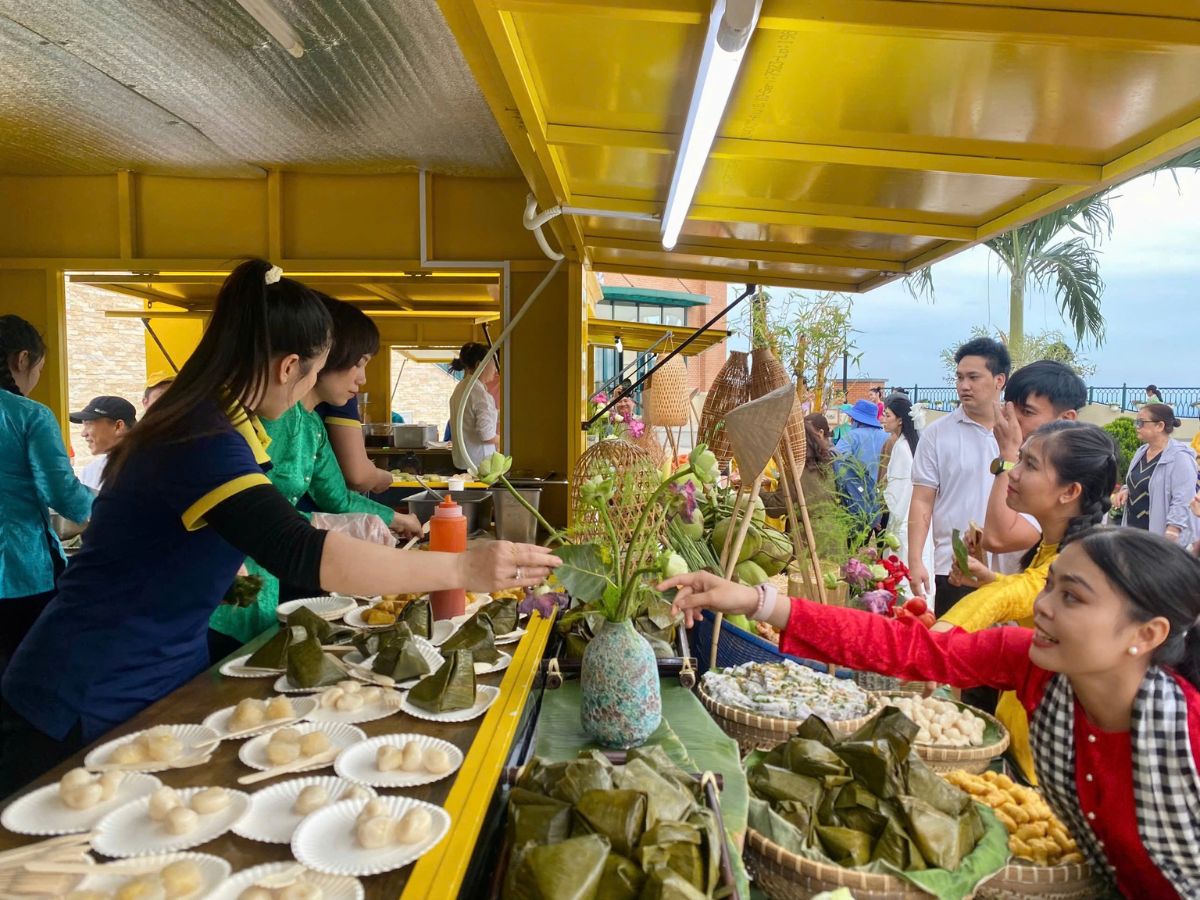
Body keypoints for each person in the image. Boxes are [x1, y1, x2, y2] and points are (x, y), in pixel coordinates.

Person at [0, 260, 559, 795]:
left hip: (159, 671)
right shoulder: (203, 440)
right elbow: (297, 549)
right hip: (87, 687)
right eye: (315, 372)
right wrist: (462, 566)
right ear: (290, 368)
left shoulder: (224, 428)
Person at [664, 527, 1200, 899]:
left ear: (1146, 634)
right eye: (1051, 584)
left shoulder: (1188, 738)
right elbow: (908, 649)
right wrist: (754, 601)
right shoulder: (1037, 668)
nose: (1043, 605)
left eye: (1073, 598)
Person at [207, 295, 422, 661]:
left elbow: (338, 498)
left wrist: (397, 518)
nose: (363, 379)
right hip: (226, 588)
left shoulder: (312, 426)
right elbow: (259, 519)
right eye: (359, 363)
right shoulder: (256, 421)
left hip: (264, 584)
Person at [934, 421, 1118, 781]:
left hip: (1038, 765)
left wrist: (934, 644)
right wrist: (990, 578)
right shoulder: (1054, 546)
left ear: (1070, 492)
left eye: (1029, 465)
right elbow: (1021, 591)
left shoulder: (1079, 565)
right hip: (1019, 736)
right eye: (1018, 460)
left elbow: (1013, 595)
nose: (1012, 474)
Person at [0, 316, 93, 677]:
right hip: (19, 571)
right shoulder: (29, 415)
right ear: (22, 360)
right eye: (38, 368)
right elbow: (63, 495)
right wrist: (105, 501)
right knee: (25, 676)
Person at [907, 336, 1011, 614]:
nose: (964, 386)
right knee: (955, 652)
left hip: (1011, 568)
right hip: (955, 567)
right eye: (960, 377)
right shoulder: (937, 434)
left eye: (973, 377)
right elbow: (922, 500)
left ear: (999, 380)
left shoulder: (1018, 433)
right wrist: (915, 559)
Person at [981, 360, 1088, 574]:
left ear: (1066, 419)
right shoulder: (1019, 459)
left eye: (1027, 412)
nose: (1011, 419)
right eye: (1009, 407)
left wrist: (1008, 454)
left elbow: (998, 538)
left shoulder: (1064, 474)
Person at [1115, 404, 1199, 548]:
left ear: (1160, 426)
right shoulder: (1141, 452)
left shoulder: (1180, 457)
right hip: (1132, 532)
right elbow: (1136, 480)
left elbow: (1183, 499)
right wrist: (1125, 490)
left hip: (1161, 540)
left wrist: (1173, 531)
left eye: (1141, 422)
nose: (1136, 426)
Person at [311, 346, 393, 494]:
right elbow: (358, 477)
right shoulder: (342, 398)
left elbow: (335, 498)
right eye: (358, 363)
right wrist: (377, 476)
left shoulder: (311, 423)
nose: (363, 380)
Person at [880, 394, 932, 592]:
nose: (883, 419)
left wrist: (883, 496)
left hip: (902, 516)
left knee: (901, 564)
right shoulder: (910, 444)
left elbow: (897, 490)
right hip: (913, 515)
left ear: (900, 419)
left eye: (887, 415)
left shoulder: (901, 448)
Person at [833, 399, 889, 525]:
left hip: (857, 495)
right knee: (884, 542)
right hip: (884, 496)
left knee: (858, 541)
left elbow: (838, 460)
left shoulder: (851, 436)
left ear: (855, 420)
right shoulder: (887, 437)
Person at [449, 341, 499, 471]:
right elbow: (487, 435)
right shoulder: (481, 395)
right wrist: (505, 440)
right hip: (478, 467)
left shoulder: (460, 387)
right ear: (479, 365)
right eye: (493, 364)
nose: (495, 369)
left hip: (461, 462)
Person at [70, 395, 137, 491]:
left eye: (89, 424)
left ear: (118, 426)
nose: (83, 434)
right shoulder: (91, 472)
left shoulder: (151, 467)